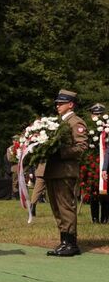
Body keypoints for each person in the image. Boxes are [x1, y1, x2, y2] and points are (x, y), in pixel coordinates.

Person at [39, 90, 88, 256]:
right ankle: (64, 240)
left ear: (71, 104)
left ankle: (71, 243)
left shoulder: (76, 122)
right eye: (57, 103)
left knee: (66, 207)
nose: (57, 105)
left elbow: (81, 147)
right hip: (53, 171)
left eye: (61, 103)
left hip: (65, 172)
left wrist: (60, 152)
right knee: (56, 208)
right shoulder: (56, 123)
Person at [87, 103, 108, 223]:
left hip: (105, 161)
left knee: (105, 191)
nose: (98, 116)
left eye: (100, 114)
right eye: (95, 114)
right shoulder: (89, 128)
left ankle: (105, 217)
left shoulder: (107, 128)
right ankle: (94, 217)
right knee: (93, 191)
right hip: (92, 162)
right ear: (91, 115)